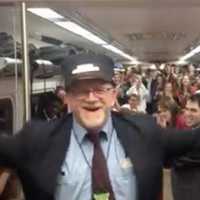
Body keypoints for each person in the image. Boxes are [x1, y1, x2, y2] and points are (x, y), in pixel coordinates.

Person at [0, 53, 200, 200]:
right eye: (80, 90)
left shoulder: (145, 132)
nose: (91, 98)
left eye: (100, 89)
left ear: (113, 95)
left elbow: (193, 141)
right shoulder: (37, 139)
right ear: (67, 97)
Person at [171, 93, 200, 200]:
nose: (187, 113)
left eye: (193, 110)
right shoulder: (191, 132)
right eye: (186, 109)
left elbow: (177, 161)